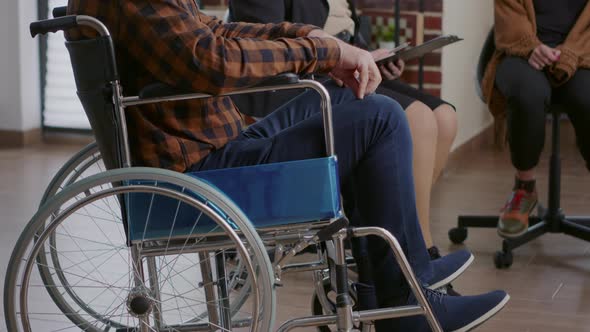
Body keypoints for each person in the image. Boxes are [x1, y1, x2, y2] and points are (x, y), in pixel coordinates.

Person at [66, 1, 508, 330]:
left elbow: (220, 32)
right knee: (379, 117)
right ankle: (405, 303)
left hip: (217, 144)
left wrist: (326, 44)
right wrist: (321, 53)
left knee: (349, 101)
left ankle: (402, 276)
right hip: (202, 175)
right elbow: (214, 62)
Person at [229, 0, 459, 263]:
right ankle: (418, 257)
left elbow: (346, 33)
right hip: (299, 82)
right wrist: (333, 56)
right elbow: (260, 44)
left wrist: (371, 59)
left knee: (445, 117)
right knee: (419, 119)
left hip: (336, 70)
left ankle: (399, 236)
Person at [482, 0, 590, 238]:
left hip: (583, 56)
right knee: (527, 94)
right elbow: (509, 19)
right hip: (522, 53)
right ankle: (525, 188)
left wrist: (570, 54)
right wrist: (531, 47)